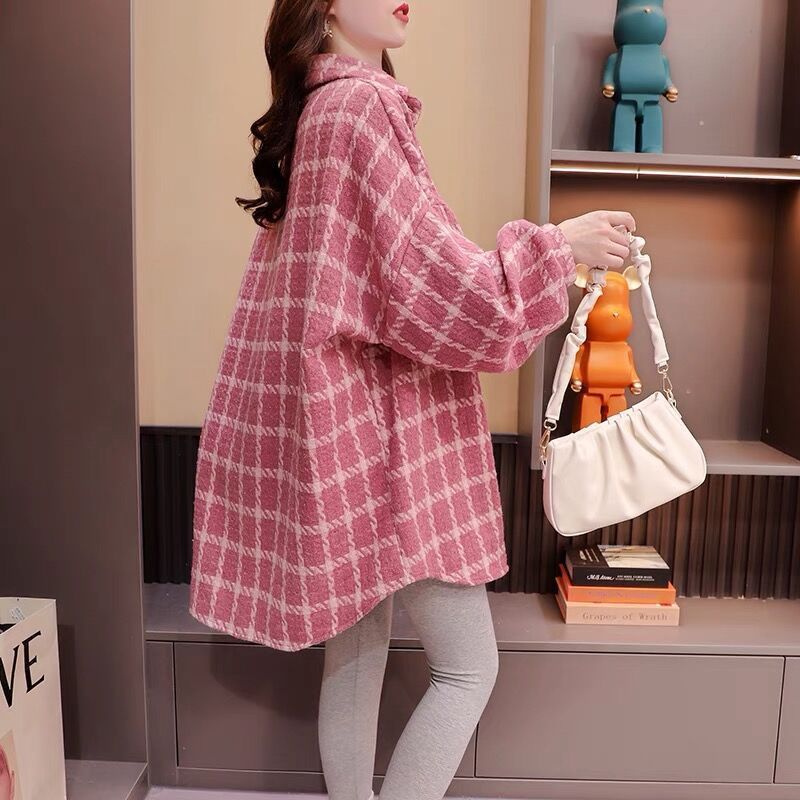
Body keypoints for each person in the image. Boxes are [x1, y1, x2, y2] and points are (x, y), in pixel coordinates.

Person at [188, 1, 636, 798]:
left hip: (338, 433)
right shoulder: (362, 108)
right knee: (467, 669)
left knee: (356, 658)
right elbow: (436, 286)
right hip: (391, 441)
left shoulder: (319, 113)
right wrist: (558, 246)